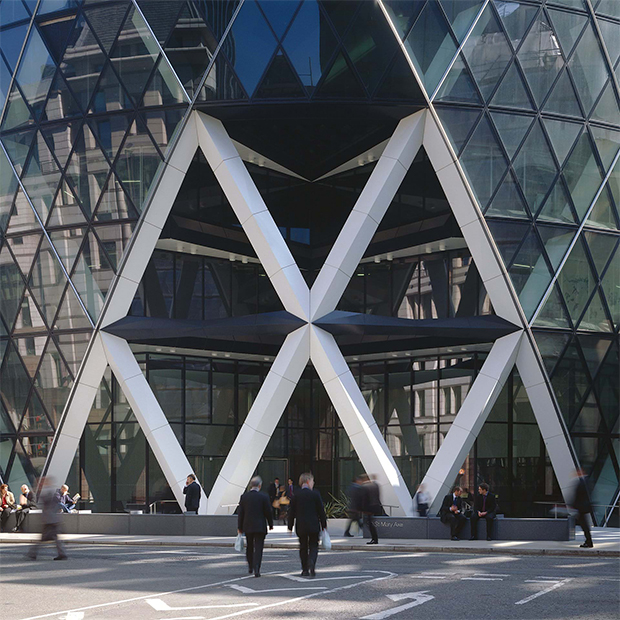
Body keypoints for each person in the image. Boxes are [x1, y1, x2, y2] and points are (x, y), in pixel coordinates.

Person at [287, 472, 327, 577]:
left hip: (301, 525)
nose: (313, 484)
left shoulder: (296, 494)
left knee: (303, 547)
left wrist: (290, 526)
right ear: (308, 481)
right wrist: (324, 525)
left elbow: (291, 512)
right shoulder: (315, 494)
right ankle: (312, 563)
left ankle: (304, 569)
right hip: (314, 524)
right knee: (314, 545)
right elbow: (321, 511)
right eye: (313, 481)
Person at [237, 476, 273, 577]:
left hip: (248, 525)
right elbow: (268, 512)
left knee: (249, 546)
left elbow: (241, 513)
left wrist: (239, 527)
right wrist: (270, 524)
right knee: (258, 547)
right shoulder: (264, 497)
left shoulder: (244, 497)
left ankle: (250, 566)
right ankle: (257, 568)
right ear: (260, 485)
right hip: (260, 526)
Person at [26, 477, 67, 561]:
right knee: (54, 538)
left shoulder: (49, 491)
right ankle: (61, 554)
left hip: (50, 520)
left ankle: (33, 553)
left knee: (44, 538)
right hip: (52, 519)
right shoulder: (51, 491)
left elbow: (47, 505)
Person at [571, 469, 594, 548]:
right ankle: (588, 541)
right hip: (583, 507)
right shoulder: (586, 481)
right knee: (584, 525)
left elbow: (579, 496)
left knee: (584, 526)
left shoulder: (582, 482)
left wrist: (573, 505)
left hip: (582, 508)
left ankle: (589, 541)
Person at [362, 474, 382, 545]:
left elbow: (365, 499)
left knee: (370, 523)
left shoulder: (366, 486)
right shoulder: (376, 485)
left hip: (369, 508)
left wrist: (363, 508)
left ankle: (374, 539)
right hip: (375, 506)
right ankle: (374, 539)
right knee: (370, 523)